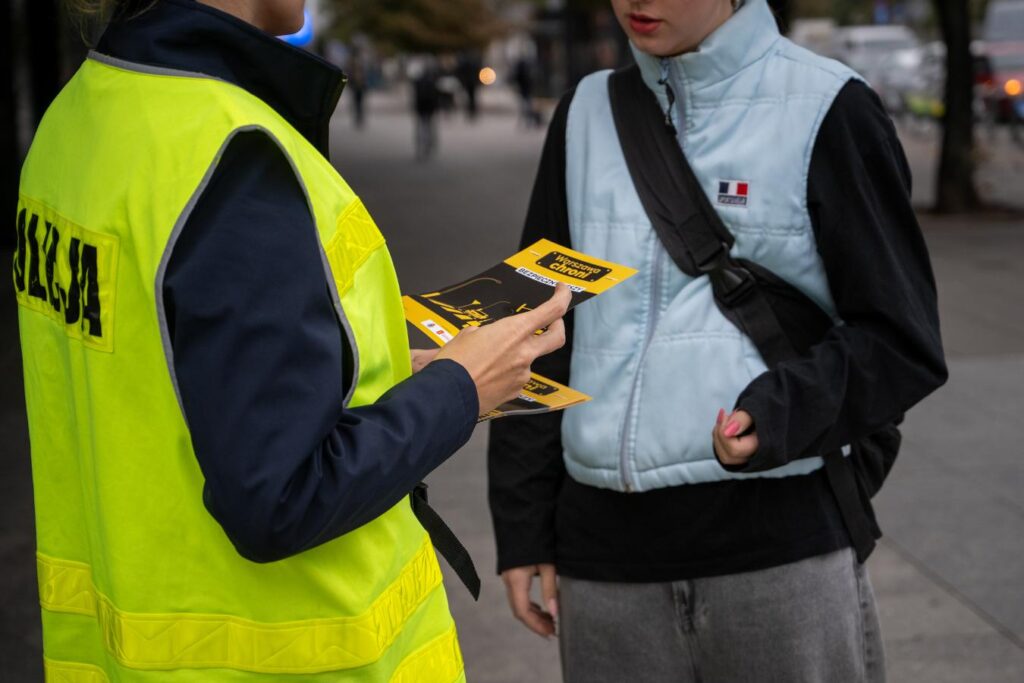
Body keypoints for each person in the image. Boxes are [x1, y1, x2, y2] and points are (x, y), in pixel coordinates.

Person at [17, 0, 570, 680]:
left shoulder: (79, 115)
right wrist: (459, 389)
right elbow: (279, 498)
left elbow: (161, 374)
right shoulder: (233, 155)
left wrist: (395, 373)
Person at [488, 1, 948, 681]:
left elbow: (901, 337)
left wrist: (779, 409)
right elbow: (537, 324)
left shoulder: (829, 106)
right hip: (603, 565)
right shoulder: (584, 113)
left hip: (778, 553)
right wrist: (522, 521)